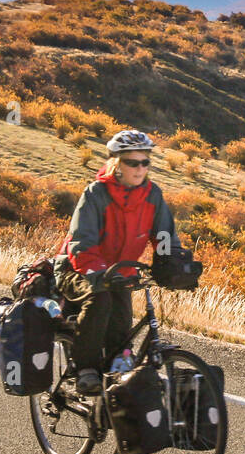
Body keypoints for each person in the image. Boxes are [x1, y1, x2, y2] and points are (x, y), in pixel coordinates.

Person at [54, 130, 182, 395]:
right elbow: (82, 243)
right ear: (116, 163)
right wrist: (99, 273)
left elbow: (164, 236)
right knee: (101, 299)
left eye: (145, 162)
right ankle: (85, 370)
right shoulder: (96, 194)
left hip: (119, 271)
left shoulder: (151, 195)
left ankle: (114, 380)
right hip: (76, 267)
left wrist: (176, 264)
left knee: (122, 323)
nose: (140, 168)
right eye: (132, 162)